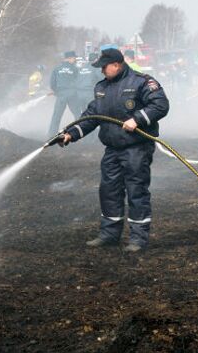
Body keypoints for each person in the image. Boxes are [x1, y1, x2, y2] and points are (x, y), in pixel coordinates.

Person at [59, 48, 169, 252]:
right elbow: (92, 115)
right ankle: (110, 234)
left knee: (136, 191)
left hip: (136, 147)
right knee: (108, 190)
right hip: (112, 149)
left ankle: (138, 239)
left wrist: (136, 120)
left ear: (116, 65)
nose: (101, 72)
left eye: (104, 67)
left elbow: (160, 105)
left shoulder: (141, 82)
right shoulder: (102, 88)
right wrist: (70, 133)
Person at [48, 51, 80, 136]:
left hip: (61, 94)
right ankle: (81, 131)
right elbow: (79, 81)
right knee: (77, 114)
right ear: (69, 58)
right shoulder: (75, 68)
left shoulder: (57, 68)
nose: (75, 59)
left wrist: (56, 92)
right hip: (72, 94)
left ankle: (51, 134)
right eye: (74, 58)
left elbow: (52, 83)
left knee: (57, 115)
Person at [75, 52, 104, 117]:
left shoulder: (82, 68)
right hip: (89, 93)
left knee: (83, 111)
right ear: (96, 59)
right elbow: (101, 78)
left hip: (79, 93)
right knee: (92, 110)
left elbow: (76, 79)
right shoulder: (96, 67)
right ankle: (90, 126)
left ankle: (81, 125)